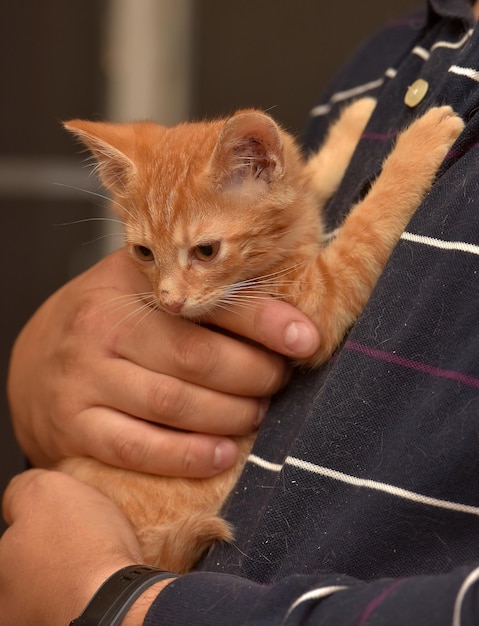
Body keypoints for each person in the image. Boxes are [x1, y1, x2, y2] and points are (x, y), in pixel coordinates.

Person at [3, 0, 479, 623]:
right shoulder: (395, 51)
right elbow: (276, 215)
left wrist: (400, 175)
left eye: (203, 252)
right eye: (146, 253)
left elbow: (318, 302)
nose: (171, 294)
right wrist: (35, 372)